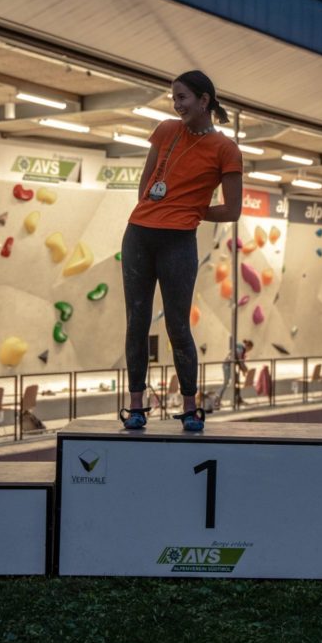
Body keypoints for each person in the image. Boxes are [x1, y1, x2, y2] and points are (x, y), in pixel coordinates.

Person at [120, 71, 242, 431]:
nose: (177, 105)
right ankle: (136, 405)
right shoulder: (165, 131)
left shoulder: (225, 149)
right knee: (137, 321)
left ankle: (190, 407)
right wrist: (161, 207)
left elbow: (232, 210)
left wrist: (191, 210)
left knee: (177, 325)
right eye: (174, 98)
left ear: (204, 101)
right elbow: (145, 186)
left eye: (183, 98)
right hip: (139, 234)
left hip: (179, 241)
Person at [218, 338, 253, 408]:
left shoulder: (242, 349)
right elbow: (240, 361)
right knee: (226, 382)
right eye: (250, 349)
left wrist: (243, 370)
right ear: (248, 346)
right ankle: (217, 399)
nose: (249, 351)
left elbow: (240, 361)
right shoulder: (240, 349)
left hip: (231, 366)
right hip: (227, 366)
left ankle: (238, 399)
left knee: (236, 381)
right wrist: (245, 369)